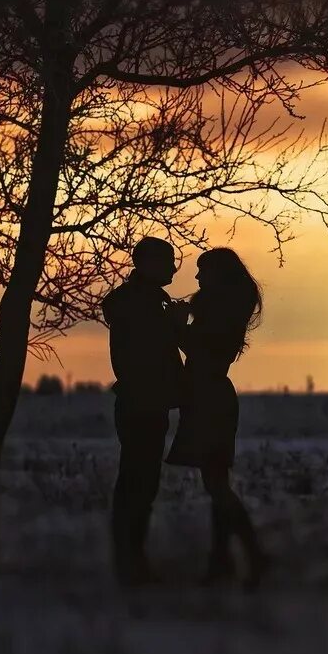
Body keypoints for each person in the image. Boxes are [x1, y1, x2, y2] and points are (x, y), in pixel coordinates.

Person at [165, 247, 268, 589]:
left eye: (201, 271)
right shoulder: (223, 309)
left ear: (217, 276)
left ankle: (252, 556)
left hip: (209, 399)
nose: (196, 278)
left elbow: (204, 352)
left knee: (217, 485)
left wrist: (180, 328)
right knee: (216, 484)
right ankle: (222, 560)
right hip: (210, 398)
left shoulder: (219, 313)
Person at [102, 236, 183, 586]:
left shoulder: (144, 301)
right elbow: (150, 349)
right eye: (167, 262)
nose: (173, 269)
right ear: (147, 264)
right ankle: (130, 562)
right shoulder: (141, 303)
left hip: (145, 400)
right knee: (138, 482)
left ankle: (131, 558)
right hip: (143, 401)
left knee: (138, 482)